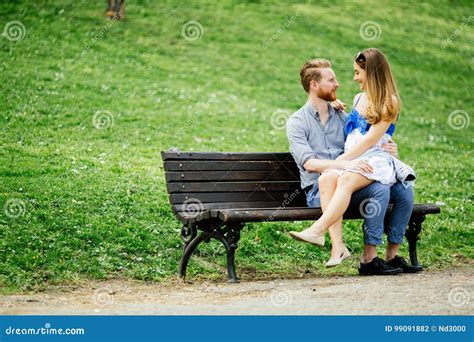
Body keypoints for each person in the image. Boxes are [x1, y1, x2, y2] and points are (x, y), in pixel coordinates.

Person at [286, 54, 422, 275]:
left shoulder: (341, 115)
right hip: (321, 189)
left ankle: (384, 256)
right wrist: (343, 164)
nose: (339, 83)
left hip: (346, 178)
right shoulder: (298, 122)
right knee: (334, 178)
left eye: (356, 73)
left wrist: (388, 146)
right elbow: (309, 164)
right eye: (331, 80)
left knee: (402, 190)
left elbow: (366, 136)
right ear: (314, 84)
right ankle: (344, 248)